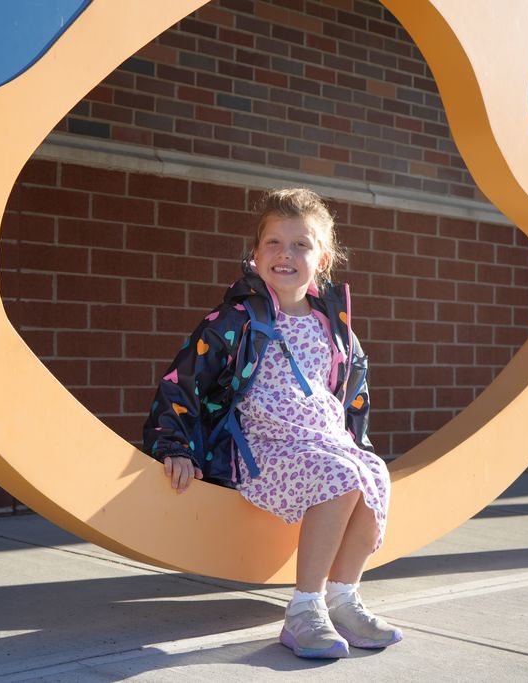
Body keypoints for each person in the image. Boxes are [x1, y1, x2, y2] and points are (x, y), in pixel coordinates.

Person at [142, 188, 401, 659]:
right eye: (274, 244)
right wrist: (173, 443)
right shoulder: (236, 320)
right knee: (341, 478)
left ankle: (343, 597)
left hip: (324, 443)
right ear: (255, 255)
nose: (286, 254)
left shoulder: (334, 327)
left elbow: (354, 393)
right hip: (264, 451)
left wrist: (359, 446)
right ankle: (304, 609)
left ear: (322, 259)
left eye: (301, 244)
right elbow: (185, 378)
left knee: (372, 474)